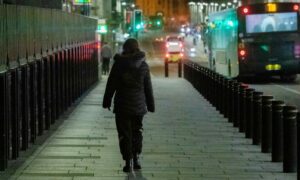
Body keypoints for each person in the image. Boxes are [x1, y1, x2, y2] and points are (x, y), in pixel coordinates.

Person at [102, 38, 155, 173]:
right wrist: (150, 105)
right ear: (137, 48)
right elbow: (148, 87)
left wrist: (107, 101)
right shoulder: (143, 65)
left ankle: (127, 161)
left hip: (122, 106)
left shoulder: (119, 64)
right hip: (138, 106)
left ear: (125, 49)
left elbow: (111, 84)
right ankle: (136, 158)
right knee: (137, 131)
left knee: (124, 133)